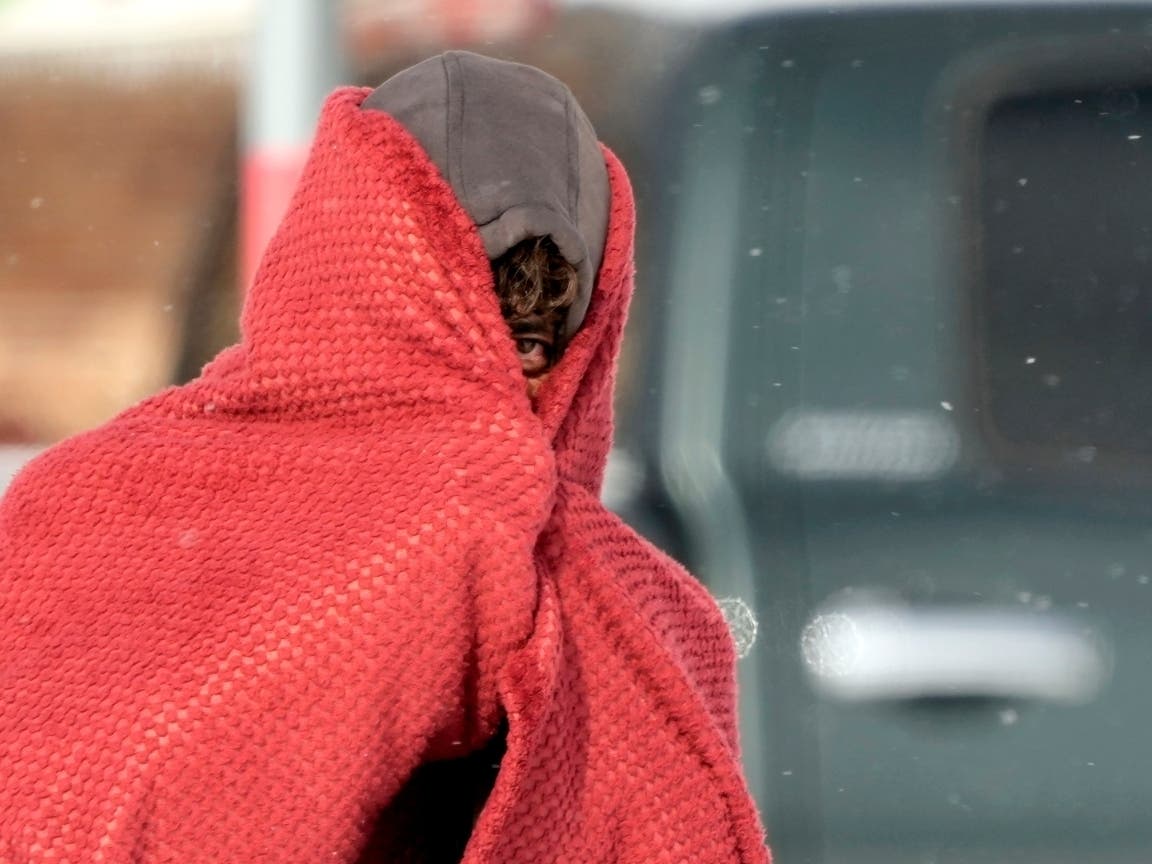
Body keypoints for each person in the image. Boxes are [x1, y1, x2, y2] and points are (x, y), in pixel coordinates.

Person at [0, 52, 769, 863]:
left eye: (537, 341)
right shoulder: (531, 566)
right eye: (500, 331)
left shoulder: (69, 493)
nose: (518, 386)